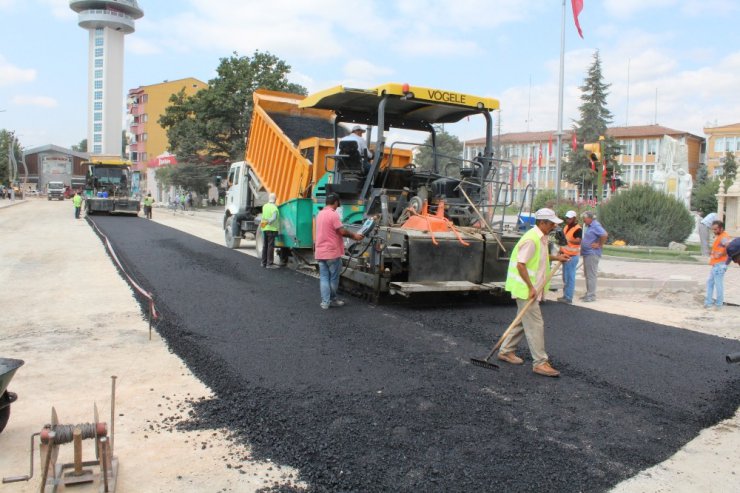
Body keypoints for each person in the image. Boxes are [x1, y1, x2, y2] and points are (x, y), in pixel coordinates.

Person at [497, 208, 570, 377]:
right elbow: (521, 264)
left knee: (523, 321)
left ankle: (506, 350)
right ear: (542, 222)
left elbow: (540, 257)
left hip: (528, 288)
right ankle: (540, 362)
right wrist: (530, 287)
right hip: (525, 289)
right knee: (536, 324)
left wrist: (557, 258)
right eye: (551, 223)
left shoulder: (541, 238)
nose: (553, 226)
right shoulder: (531, 239)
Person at [314, 193, 363, 309]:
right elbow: (342, 231)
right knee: (333, 278)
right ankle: (333, 299)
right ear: (335, 202)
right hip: (332, 252)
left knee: (324, 278)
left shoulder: (319, 214)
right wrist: (355, 236)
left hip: (320, 252)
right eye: (338, 202)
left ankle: (325, 302)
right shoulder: (333, 214)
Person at [580, 211, 608, 302]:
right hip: (587, 253)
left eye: (584, 218)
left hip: (592, 253)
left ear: (589, 218)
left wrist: (599, 244)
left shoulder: (595, 225)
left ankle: (591, 295)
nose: (583, 220)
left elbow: (604, 234)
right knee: (587, 275)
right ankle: (589, 293)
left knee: (591, 275)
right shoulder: (589, 226)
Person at [704, 220, 731, 310]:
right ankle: (708, 302)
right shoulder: (720, 236)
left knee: (718, 284)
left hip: (720, 264)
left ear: (721, 228)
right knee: (710, 282)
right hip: (716, 264)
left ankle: (718, 304)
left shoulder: (724, 237)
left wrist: (724, 258)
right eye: (713, 229)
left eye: (716, 229)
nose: (714, 231)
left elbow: (729, 248)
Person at [557, 210, 582, 304]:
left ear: (574, 218)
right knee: (565, 277)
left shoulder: (578, 229)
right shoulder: (566, 227)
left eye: (569, 218)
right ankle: (565, 295)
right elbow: (563, 241)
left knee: (570, 277)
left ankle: (568, 297)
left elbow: (578, 241)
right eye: (567, 218)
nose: (567, 220)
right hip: (565, 254)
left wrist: (567, 239)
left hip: (572, 256)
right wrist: (560, 250)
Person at [260, 193, 280, 269]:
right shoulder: (274, 208)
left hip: (264, 228)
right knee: (270, 246)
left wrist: (265, 223)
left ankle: (263, 262)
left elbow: (263, 217)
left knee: (265, 246)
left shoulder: (265, 206)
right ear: (275, 199)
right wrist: (269, 221)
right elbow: (274, 218)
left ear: (269, 199)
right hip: (271, 229)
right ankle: (269, 264)